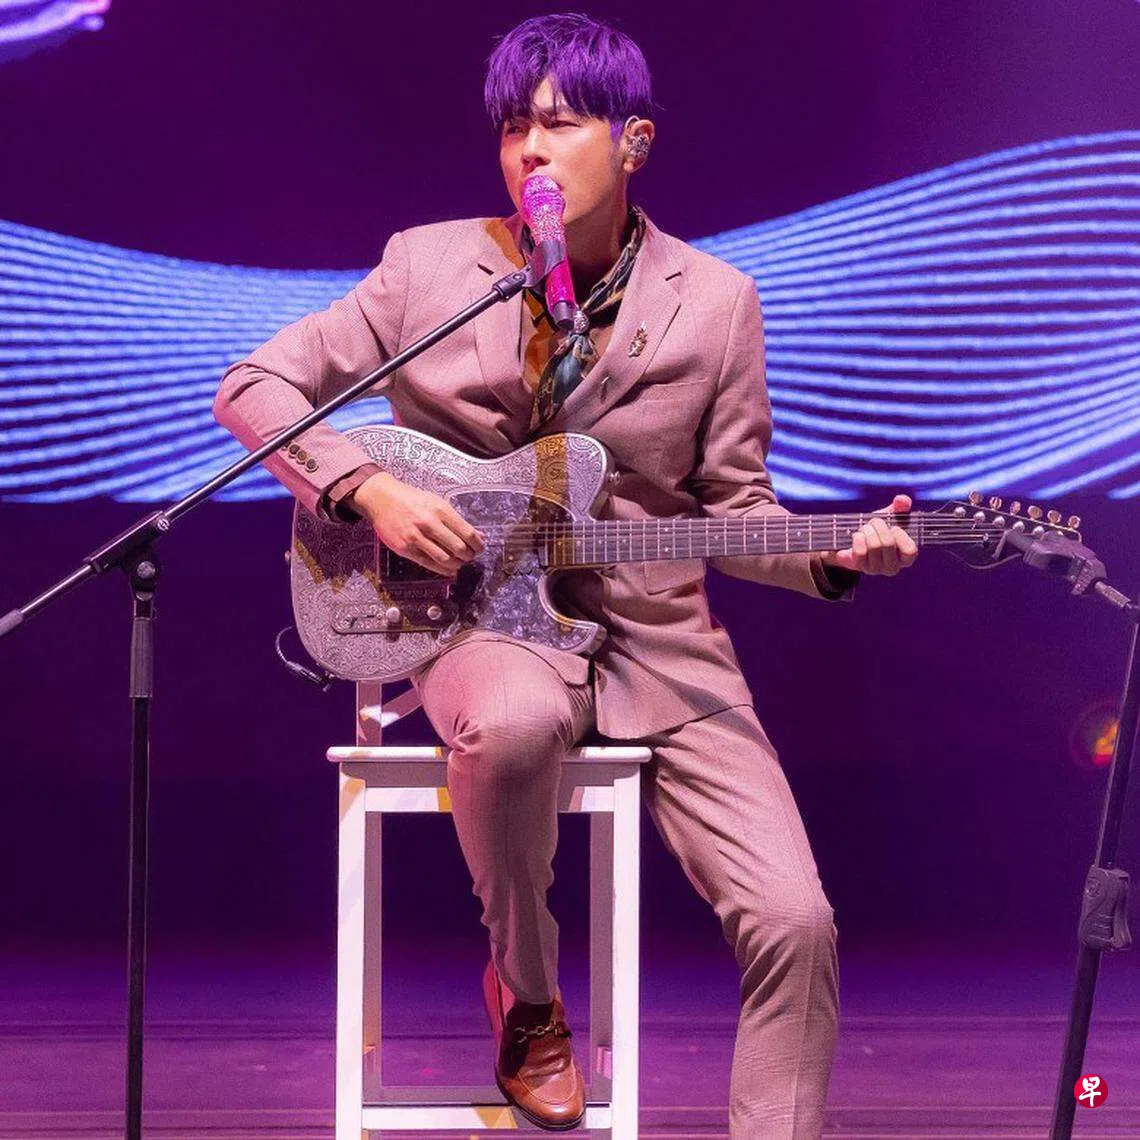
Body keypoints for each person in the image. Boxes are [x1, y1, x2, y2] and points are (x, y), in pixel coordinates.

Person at [214, 14, 918, 1137]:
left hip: (658, 649)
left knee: (797, 921)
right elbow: (255, 385)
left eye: (561, 123)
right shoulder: (431, 265)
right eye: (512, 128)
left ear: (634, 141)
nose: (530, 150)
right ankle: (530, 999)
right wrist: (367, 488)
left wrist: (833, 555)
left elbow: (736, 511)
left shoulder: (717, 303)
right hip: (476, 624)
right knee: (514, 723)